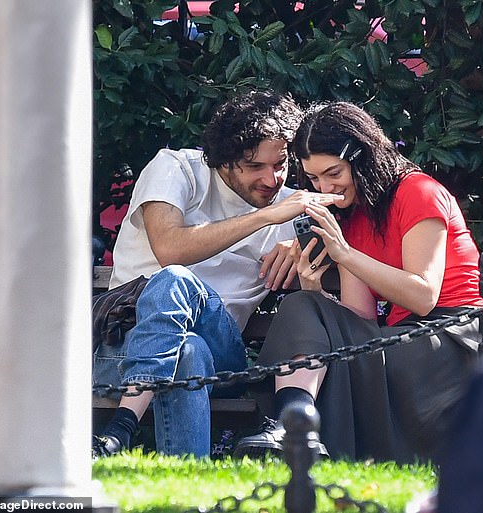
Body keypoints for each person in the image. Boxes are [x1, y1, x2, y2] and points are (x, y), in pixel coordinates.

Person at [91, 90, 344, 459]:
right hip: (121, 353)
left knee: (188, 319)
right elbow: (171, 248)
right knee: (181, 319)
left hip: (222, 358)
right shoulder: (176, 169)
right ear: (223, 161)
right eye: (255, 166)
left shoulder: (293, 209)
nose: (272, 180)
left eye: (280, 164)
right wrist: (265, 218)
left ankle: (118, 432)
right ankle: (186, 482)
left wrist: (301, 250)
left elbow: (319, 300)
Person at [233, 101, 483, 463]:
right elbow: (359, 315)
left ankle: (308, 437)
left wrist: (345, 254)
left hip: (447, 337)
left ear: (361, 158)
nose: (326, 186)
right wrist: (314, 291)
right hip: (399, 337)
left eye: (333, 172)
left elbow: (424, 296)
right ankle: (292, 423)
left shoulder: (418, 192)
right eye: (315, 178)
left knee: (352, 354)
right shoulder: (351, 215)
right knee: (303, 304)